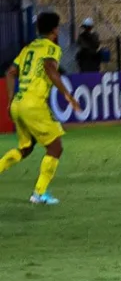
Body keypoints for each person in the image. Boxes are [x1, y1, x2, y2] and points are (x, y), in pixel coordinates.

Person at [0, 12, 81, 205]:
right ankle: (39, 193)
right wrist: (68, 96)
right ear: (55, 30)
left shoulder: (28, 48)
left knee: (26, 148)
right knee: (55, 147)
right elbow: (49, 69)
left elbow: (10, 73)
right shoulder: (51, 48)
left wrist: (11, 99)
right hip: (34, 104)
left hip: (19, 103)